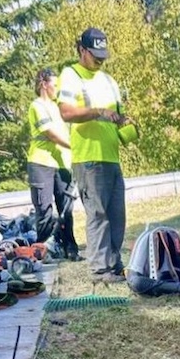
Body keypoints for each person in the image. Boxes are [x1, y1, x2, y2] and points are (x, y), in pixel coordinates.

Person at [58, 28, 131, 283]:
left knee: (117, 216)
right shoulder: (71, 75)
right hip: (88, 158)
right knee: (98, 214)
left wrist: (126, 124)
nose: (99, 60)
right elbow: (66, 112)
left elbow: (117, 116)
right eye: (95, 54)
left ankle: (114, 263)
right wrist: (98, 111)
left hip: (111, 156)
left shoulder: (109, 81)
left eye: (103, 54)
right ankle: (100, 270)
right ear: (82, 50)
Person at [26, 68, 80, 260]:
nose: (58, 89)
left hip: (62, 164)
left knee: (66, 208)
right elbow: (51, 134)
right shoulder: (37, 106)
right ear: (43, 84)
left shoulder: (60, 107)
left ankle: (71, 249)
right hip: (41, 164)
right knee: (44, 210)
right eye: (54, 85)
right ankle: (45, 251)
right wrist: (76, 147)